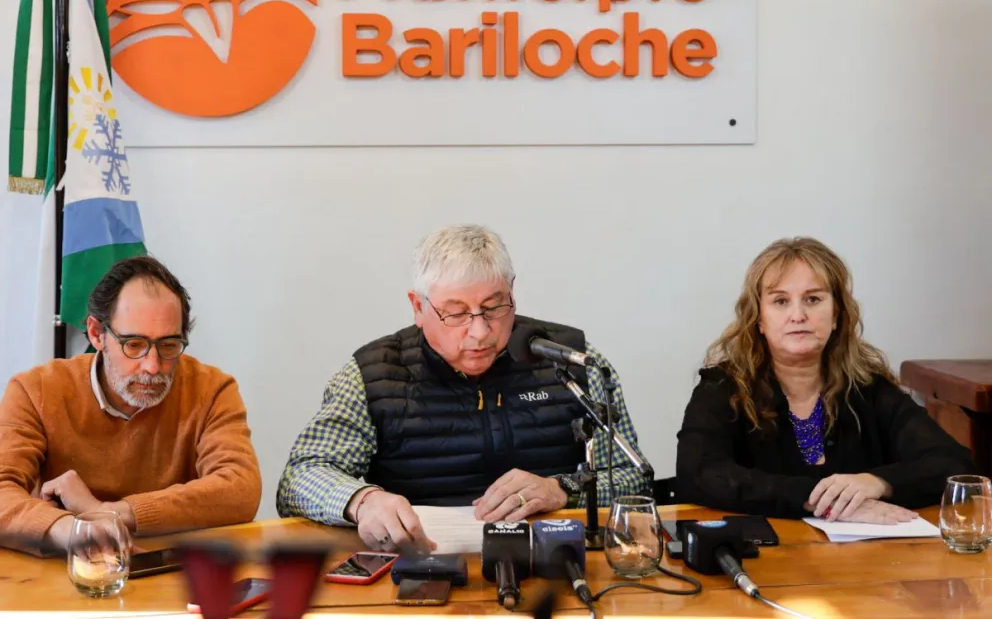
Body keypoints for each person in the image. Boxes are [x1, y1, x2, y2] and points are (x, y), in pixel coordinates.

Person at [277, 225, 651, 553]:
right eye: (455, 313)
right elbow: (299, 478)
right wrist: (362, 500)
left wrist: (562, 489)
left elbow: (635, 480)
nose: (480, 331)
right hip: (421, 567)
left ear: (513, 294)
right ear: (418, 307)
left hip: (555, 560)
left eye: (493, 307)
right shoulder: (372, 374)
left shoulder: (571, 362)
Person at [676, 237, 977, 523]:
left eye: (813, 299)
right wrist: (818, 500)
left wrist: (878, 482)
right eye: (780, 301)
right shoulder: (723, 387)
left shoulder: (868, 387)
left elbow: (955, 464)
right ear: (759, 319)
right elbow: (697, 473)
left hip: (864, 564)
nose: (798, 315)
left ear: (836, 315)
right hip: (767, 560)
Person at [0, 256, 262, 555]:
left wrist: (108, 512)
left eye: (169, 345)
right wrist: (73, 530)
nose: (153, 366)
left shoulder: (212, 389)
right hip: (68, 574)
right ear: (98, 334)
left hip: (170, 575)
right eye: (134, 344)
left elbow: (240, 489)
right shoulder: (36, 390)